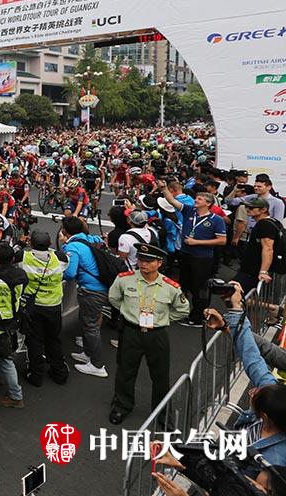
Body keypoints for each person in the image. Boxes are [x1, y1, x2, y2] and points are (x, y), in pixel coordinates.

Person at [203, 283, 286, 474]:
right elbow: (255, 357)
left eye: (256, 394)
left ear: (264, 415)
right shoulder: (272, 393)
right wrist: (232, 318)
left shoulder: (274, 462)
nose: (253, 391)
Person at [108, 243, 190, 425]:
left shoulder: (170, 287)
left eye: (149, 261)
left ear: (159, 263)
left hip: (157, 334)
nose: (143, 263)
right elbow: (113, 298)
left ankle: (162, 412)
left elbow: (183, 309)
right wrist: (129, 313)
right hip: (131, 331)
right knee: (125, 371)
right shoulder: (124, 279)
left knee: (160, 375)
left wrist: (163, 319)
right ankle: (121, 406)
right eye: (141, 259)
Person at [162, 188, 226, 327]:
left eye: (199, 199)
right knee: (185, 284)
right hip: (186, 255)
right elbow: (172, 201)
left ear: (208, 203)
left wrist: (197, 242)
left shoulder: (217, 220)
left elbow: (222, 240)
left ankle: (198, 317)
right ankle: (182, 311)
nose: (195, 200)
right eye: (196, 198)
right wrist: (164, 188)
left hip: (202, 258)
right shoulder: (189, 211)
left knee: (199, 288)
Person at [60, 216, 110, 378]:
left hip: (91, 291)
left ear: (65, 231)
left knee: (91, 327)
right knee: (87, 321)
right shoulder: (87, 239)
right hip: (100, 286)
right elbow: (99, 240)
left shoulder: (73, 246)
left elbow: (70, 273)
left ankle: (97, 365)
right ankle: (88, 353)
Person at [20, 231, 68, 387]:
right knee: (54, 339)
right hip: (53, 305)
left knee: (34, 341)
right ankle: (60, 373)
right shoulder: (60, 259)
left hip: (33, 306)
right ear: (50, 244)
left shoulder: (24, 258)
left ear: (30, 243)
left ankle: (36, 375)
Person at [0, 242, 28, 409]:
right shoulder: (21, 274)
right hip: (13, 318)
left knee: (5, 358)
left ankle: (16, 396)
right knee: (3, 349)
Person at [235, 197, 279, 294]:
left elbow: (268, 248)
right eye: (247, 207)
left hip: (252, 271)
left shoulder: (265, 225)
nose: (247, 209)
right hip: (251, 269)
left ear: (263, 210)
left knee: (234, 294)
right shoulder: (271, 222)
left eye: (251, 208)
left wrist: (263, 271)